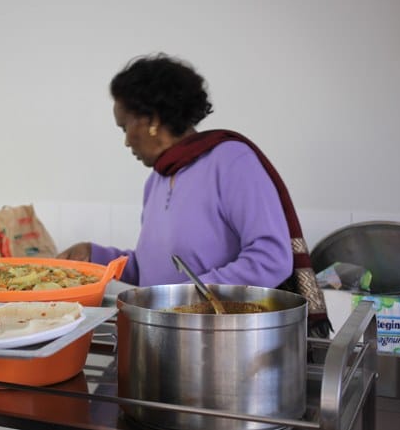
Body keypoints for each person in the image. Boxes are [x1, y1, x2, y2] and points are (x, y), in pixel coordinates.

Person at [58, 53, 330, 337]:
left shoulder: (231, 161)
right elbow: (153, 272)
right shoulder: (157, 181)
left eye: (125, 127)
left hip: (224, 344)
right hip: (168, 336)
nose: (126, 141)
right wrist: (95, 255)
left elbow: (272, 257)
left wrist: (189, 295)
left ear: (152, 118)